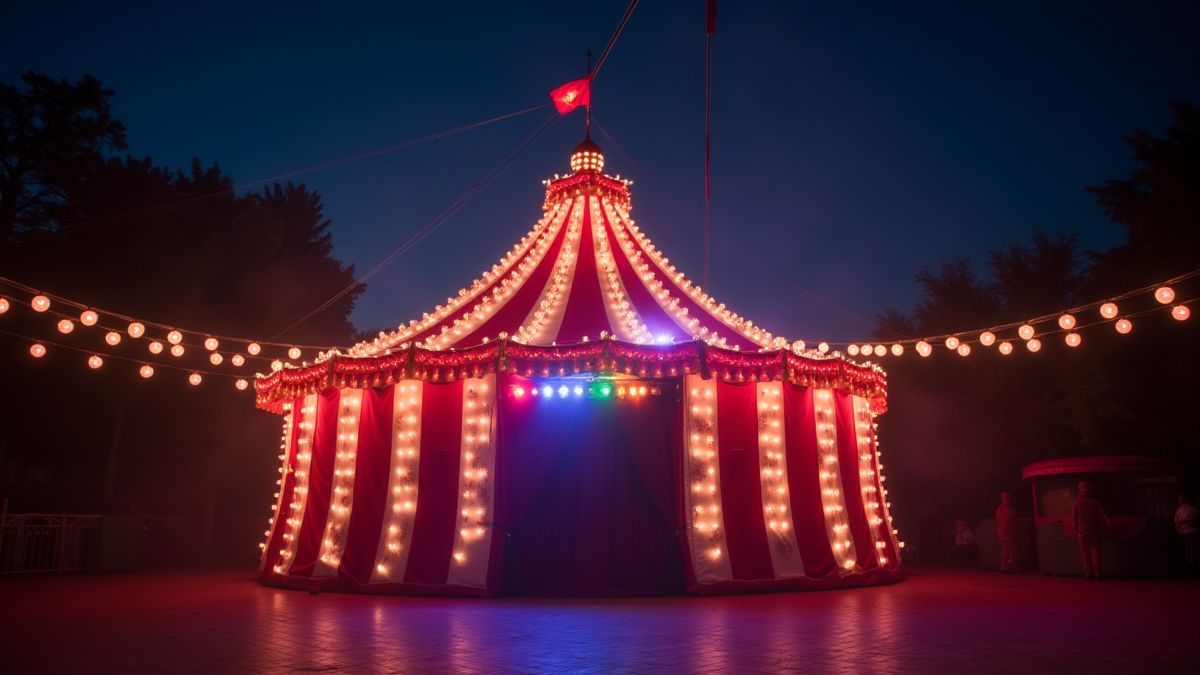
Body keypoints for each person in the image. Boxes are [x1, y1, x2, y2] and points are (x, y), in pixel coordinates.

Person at [1072, 481, 1111, 580]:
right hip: (1094, 530)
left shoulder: (1076, 502)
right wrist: (1109, 524)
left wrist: (1076, 530)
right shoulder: (1094, 502)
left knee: (1084, 553)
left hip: (1081, 531)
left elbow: (1075, 519)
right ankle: (1098, 573)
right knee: (1095, 551)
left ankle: (1088, 573)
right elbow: (1103, 514)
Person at [1175, 493, 1198, 578]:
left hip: (1190, 532)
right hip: (1182, 533)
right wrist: (1178, 527)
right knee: (1185, 553)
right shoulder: (1179, 510)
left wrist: (1182, 522)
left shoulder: (1192, 509)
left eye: (1181, 498)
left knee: (1191, 552)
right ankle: (1186, 573)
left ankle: (1192, 572)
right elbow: (1176, 521)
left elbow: (1192, 520)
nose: (1179, 500)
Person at [995, 491, 1018, 573]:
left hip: (1001, 532)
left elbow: (998, 520)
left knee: (1004, 551)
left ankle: (1004, 568)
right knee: (1012, 551)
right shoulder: (1009, 510)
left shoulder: (999, 509)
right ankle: (1013, 568)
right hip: (1009, 533)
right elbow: (1012, 523)